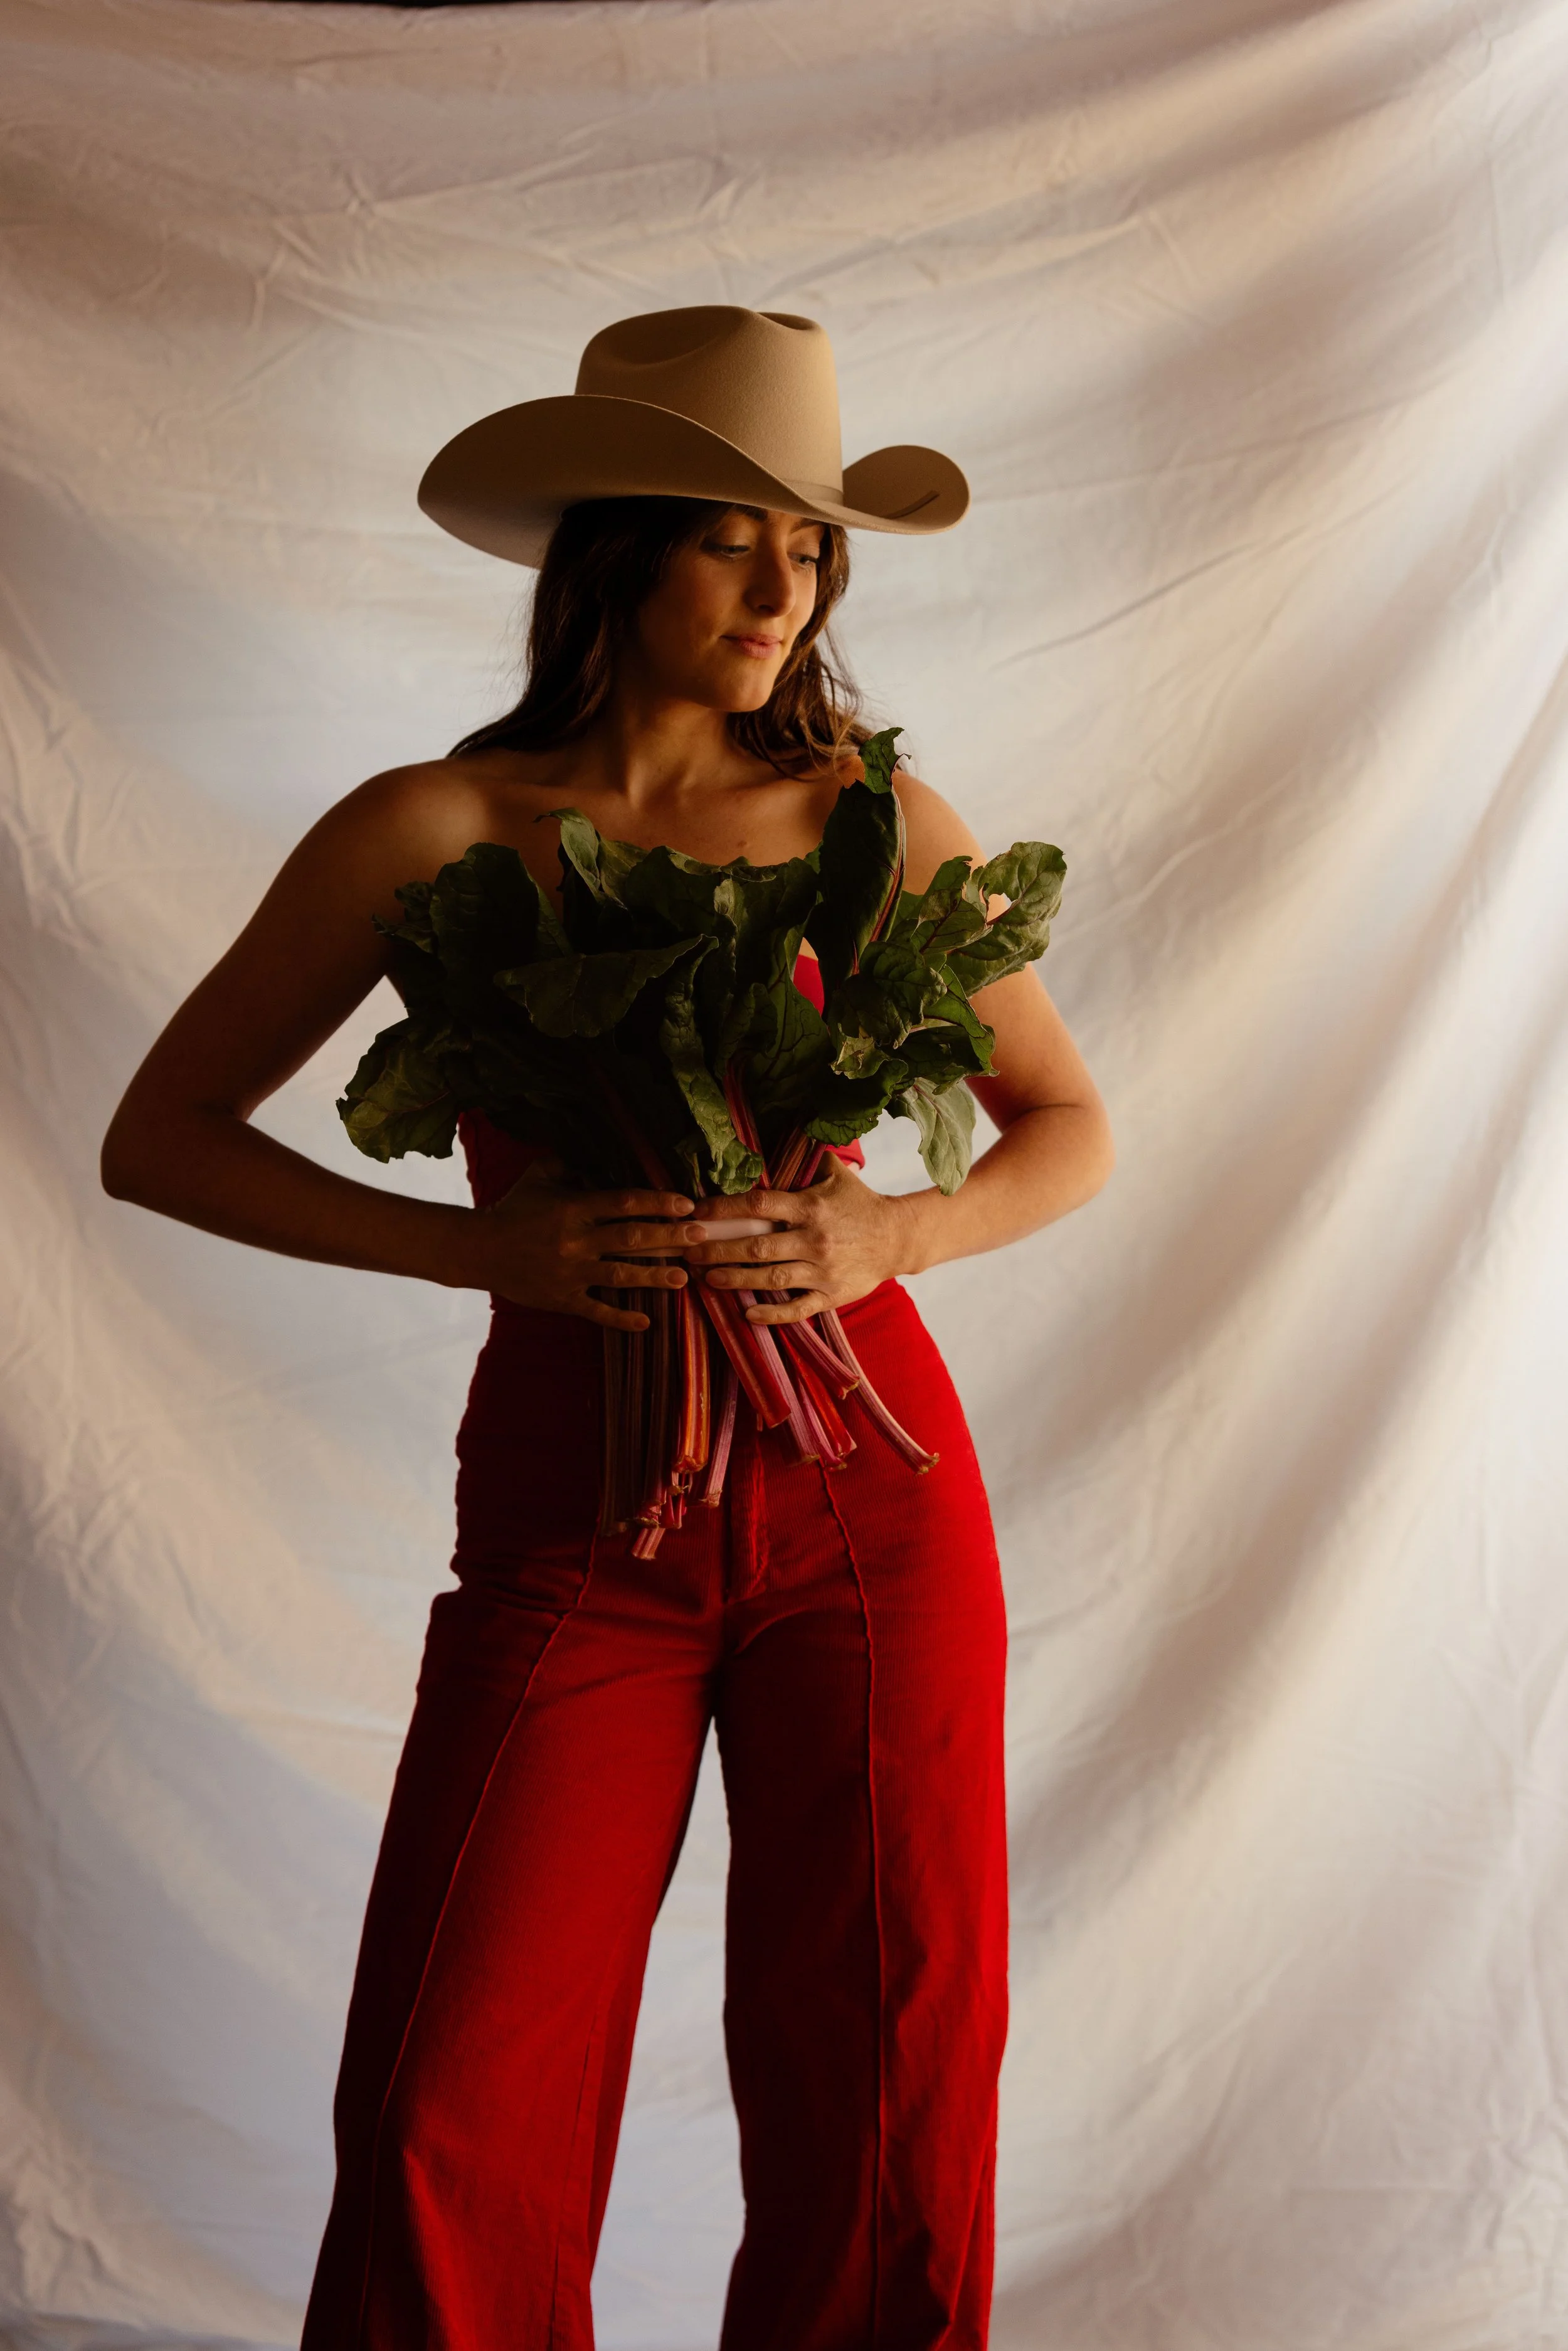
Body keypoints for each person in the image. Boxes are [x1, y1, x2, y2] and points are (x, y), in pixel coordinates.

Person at [101, 306, 1113, 2351]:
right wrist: (482, 1256)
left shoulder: (869, 822)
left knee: (892, 2091)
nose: (783, 588)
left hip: (870, 1505)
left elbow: (1072, 1127)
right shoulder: (433, 831)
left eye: (811, 550)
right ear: (612, 549)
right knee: (450, 2094)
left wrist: (893, 1232)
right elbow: (162, 1139)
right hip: (577, 1507)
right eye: (734, 537)